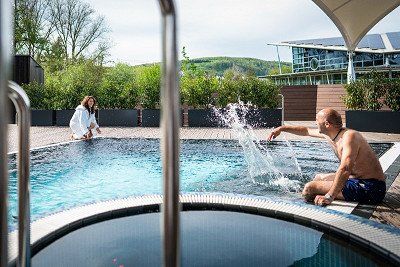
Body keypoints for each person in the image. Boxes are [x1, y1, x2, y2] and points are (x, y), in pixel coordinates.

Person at [267, 108, 386, 206]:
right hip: (356, 179)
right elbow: (306, 131)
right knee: (319, 177)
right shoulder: (331, 134)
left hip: (371, 188)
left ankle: (297, 202)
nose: (315, 123)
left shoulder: (349, 137)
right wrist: (281, 129)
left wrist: (330, 196)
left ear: (327, 124)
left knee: (310, 188)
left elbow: (345, 168)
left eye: (317, 121)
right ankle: (304, 195)